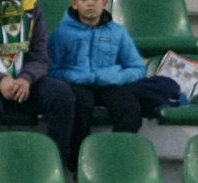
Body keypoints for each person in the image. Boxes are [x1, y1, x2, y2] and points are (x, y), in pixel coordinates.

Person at [0, 0, 75, 177]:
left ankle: (55, 168)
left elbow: (40, 57)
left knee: (61, 95)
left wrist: (26, 78)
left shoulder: (32, 8)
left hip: (22, 81)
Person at [48, 0, 144, 150]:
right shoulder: (61, 33)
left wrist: (115, 76)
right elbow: (52, 70)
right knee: (80, 105)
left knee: (129, 107)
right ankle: (77, 164)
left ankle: (116, 156)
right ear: (75, 4)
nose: (90, 4)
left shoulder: (118, 32)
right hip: (76, 85)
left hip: (108, 84)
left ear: (105, 3)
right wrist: (76, 76)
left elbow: (137, 68)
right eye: (84, 0)